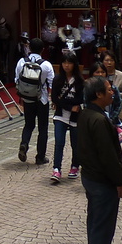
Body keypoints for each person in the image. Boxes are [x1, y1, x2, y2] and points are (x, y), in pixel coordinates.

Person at [76, 76, 122, 244]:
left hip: (91, 177)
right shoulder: (97, 120)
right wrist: (120, 181)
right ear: (98, 94)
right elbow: (108, 156)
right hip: (101, 180)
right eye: (108, 90)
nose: (112, 92)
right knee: (102, 224)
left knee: (97, 222)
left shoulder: (87, 114)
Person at [15, 38, 54, 166]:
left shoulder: (21, 62)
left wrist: (21, 96)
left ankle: (24, 144)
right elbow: (51, 85)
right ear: (42, 50)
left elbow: (17, 80)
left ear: (29, 48)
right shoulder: (46, 65)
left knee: (28, 124)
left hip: (27, 98)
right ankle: (40, 157)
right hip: (41, 99)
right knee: (43, 128)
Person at [50, 51, 83, 184]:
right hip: (60, 116)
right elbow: (54, 98)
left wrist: (68, 104)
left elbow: (79, 99)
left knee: (76, 144)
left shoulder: (80, 81)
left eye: (69, 63)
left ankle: (75, 166)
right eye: (64, 63)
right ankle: (56, 168)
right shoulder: (58, 79)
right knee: (59, 142)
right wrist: (69, 106)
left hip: (75, 117)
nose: (66, 66)